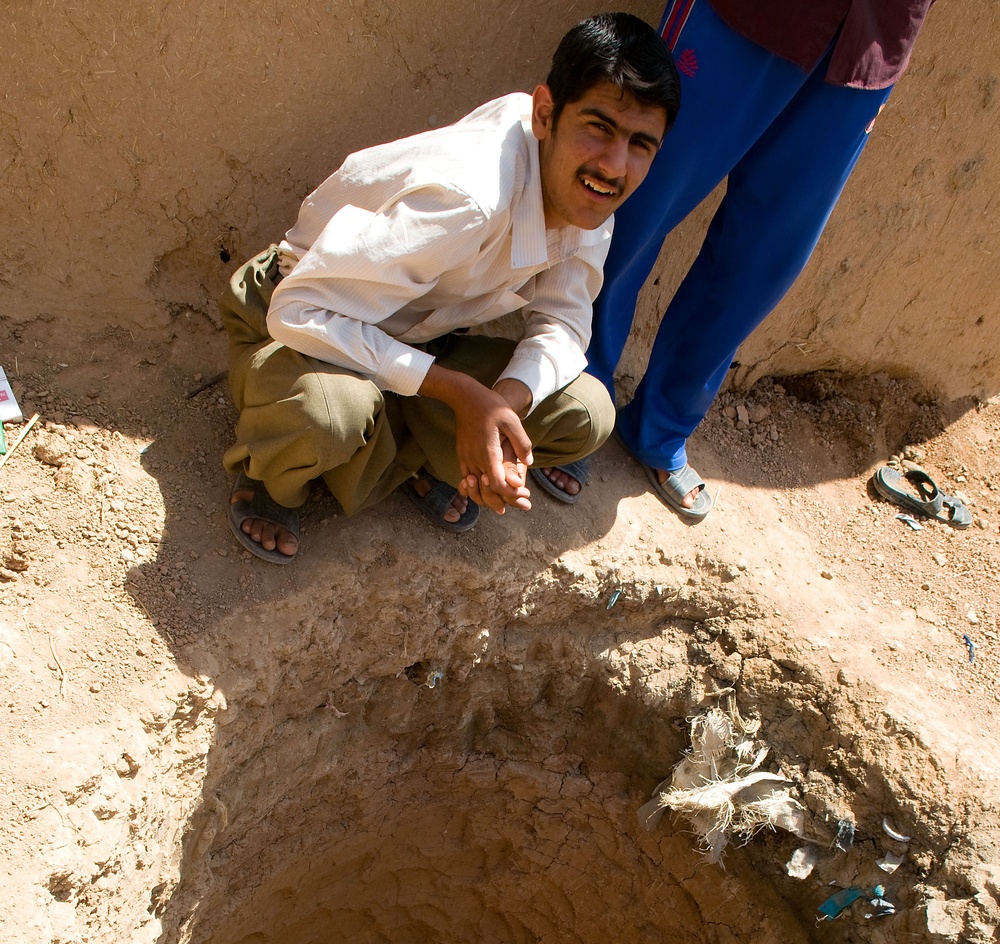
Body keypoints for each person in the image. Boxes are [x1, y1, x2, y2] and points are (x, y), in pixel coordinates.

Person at [220, 13, 681, 563]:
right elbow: (299, 308)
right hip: (306, 317)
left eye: (640, 145)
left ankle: (406, 455)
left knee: (587, 411)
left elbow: (564, 324)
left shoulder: (589, 193)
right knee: (328, 412)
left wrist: (498, 410)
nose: (614, 164)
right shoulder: (470, 198)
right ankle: (274, 478)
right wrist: (460, 393)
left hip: (419, 333)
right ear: (545, 113)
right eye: (598, 127)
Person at [551, 0, 935, 520]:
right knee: (640, 198)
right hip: (747, 13)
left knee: (766, 255)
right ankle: (576, 401)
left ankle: (661, 427)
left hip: (873, 31)